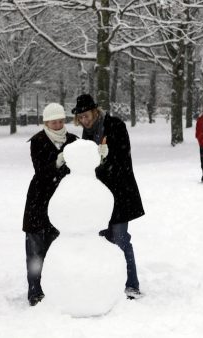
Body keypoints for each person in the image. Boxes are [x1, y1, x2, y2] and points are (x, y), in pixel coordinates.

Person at [71, 93, 145, 300]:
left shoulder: (115, 125)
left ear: (95, 111)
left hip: (120, 194)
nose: (84, 120)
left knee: (120, 240)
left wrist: (105, 160)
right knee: (102, 243)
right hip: (99, 198)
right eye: (81, 118)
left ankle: (131, 285)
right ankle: (107, 285)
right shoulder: (85, 136)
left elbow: (123, 157)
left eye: (86, 115)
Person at [22, 103, 78, 306]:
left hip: (63, 202)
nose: (58, 124)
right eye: (53, 121)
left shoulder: (73, 141)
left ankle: (57, 290)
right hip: (39, 202)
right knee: (35, 251)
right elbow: (41, 171)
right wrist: (58, 161)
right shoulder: (37, 141)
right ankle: (35, 292)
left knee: (57, 250)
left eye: (61, 120)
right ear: (46, 122)